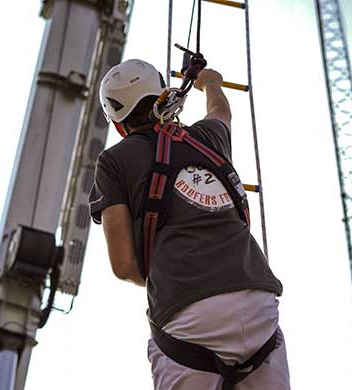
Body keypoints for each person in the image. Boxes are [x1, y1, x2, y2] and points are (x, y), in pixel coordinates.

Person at [89, 59, 289, 390]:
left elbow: (124, 265)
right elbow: (220, 111)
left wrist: (176, 276)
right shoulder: (208, 137)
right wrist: (210, 82)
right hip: (257, 304)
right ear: (162, 95)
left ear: (118, 123)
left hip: (186, 315)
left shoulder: (113, 162)